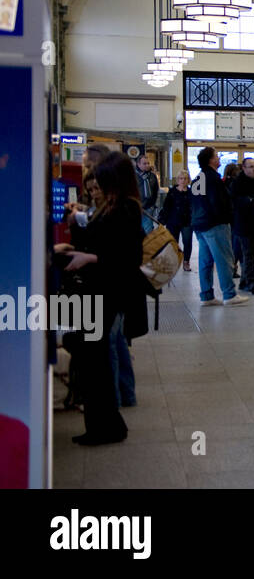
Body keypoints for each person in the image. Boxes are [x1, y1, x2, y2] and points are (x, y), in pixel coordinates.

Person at [54, 151, 148, 445]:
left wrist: (89, 257)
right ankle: (106, 424)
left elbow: (126, 257)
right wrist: (74, 246)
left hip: (108, 291)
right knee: (94, 359)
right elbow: (99, 241)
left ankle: (105, 426)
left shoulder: (127, 209)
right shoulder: (111, 205)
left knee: (95, 360)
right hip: (98, 289)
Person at [190, 147, 250, 306]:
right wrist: (228, 217)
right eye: (216, 156)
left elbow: (195, 202)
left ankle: (207, 295)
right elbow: (217, 203)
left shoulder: (198, 178)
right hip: (215, 224)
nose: (219, 158)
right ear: (210, 160)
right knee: (224, 259)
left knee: (205, 262)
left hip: (200, 225)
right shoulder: (213, 179)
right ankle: (229, 294)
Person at [230, 157, 254, 295]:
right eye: (250, 166)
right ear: (244, 168)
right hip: (243, 223)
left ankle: (244, 282)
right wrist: (251, 201)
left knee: (252, 254)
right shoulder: (238, 182)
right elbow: (235, 200)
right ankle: (253, 282)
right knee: (248, 254)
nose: (253, 169)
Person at [159, 170, 193, 272]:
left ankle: (186, 262)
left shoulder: (191, 193)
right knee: (173, 243)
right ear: (177, 180)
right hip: (173, 221)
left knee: (187, 242)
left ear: (188, 180)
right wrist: (162, 219)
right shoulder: (172, 192)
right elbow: (166, 207)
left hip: (187, 222)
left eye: (185, 178)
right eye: (181, 178)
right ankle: (172, 263)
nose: (183, 181)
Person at [135, 153, 159, 233]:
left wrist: (154, 205)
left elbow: (156, 192)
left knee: (148, 232)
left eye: (148, 163)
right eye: (144, 163)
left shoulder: (152, 176)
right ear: (138, 164)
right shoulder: (133, 176)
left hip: (149, 208)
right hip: (137, 208)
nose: (147, 165)